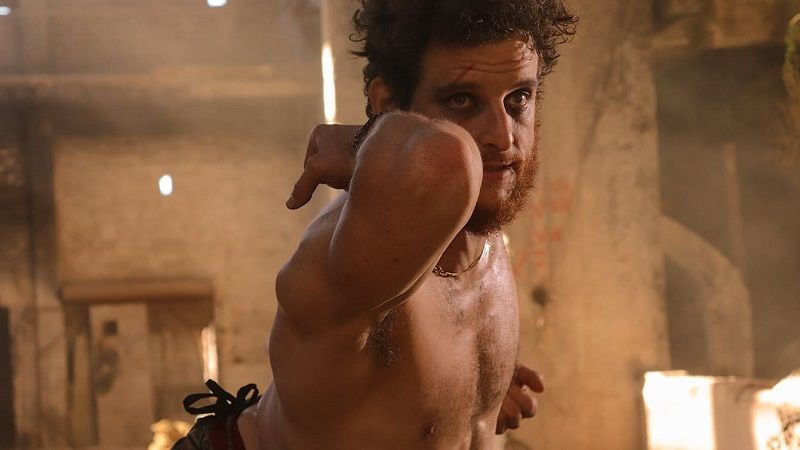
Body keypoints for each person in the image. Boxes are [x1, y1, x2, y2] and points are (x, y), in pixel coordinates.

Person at [173, 1, 577, 449]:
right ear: (387, 105)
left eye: (518, 98)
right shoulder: (340, 258)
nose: (503, 137)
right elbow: (445, 164)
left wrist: (472, 390)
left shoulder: (486, 235)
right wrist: (364, 139)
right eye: (462, 101)